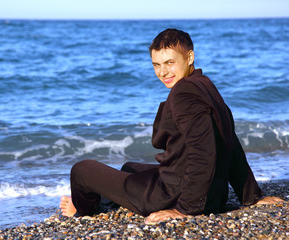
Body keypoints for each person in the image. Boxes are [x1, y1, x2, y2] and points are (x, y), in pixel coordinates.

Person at [60, 28, 283, 223]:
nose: (163, 72)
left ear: (189, 57)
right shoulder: (205, 86)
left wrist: (185, 210)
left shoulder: (183, 94)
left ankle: (83, 211)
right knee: (129, 168)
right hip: (212, 193)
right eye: (156, 65)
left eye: (169, 63)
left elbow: (203, 152)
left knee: (82, 170)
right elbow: (229, 143)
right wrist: (252, 197)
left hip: (175, 196)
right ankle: (113, 204)